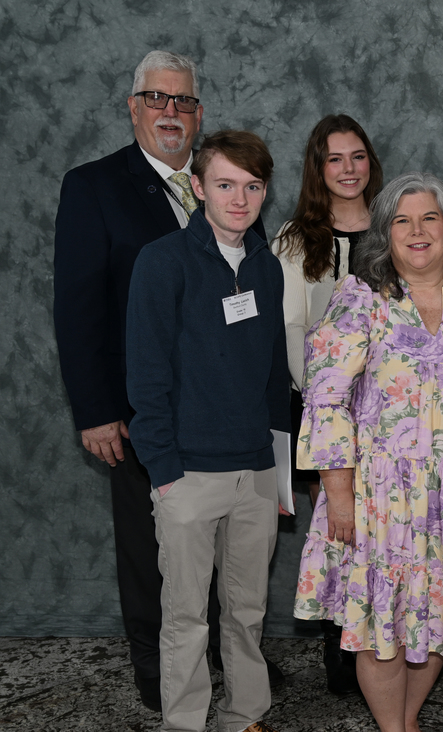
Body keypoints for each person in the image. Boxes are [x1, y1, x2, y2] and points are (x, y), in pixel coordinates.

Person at [52, 50, 278, 712]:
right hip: (139, 417)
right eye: (157, 99)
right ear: (133, 106)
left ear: (199, 113)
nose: (170, 112)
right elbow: (78, 305)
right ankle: (165, 689)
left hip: (231, 427)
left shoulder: (231, 190)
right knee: (158, 569)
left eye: (183, 102)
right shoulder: (94, 186)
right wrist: (94, 410)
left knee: (230, 576)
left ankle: (230, 685)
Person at [292, 172, 443, 732]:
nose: (417, 231)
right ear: (384, 236)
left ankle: (407, 720)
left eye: (430, 218)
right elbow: (325, 400)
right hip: (378, 500)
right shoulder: (360, 302)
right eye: (402, 220)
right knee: (382, 629)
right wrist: (339, 495)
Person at [125, 130, 288, 732]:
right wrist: (163, 471)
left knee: (244, 612)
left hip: (255, 471)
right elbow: (144, 376)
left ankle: (244, 713)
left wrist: (277, 469)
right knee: (186, 615)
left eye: (251, 187)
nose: (239, 199)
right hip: (187, 473)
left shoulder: (266, 269)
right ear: (198, 187)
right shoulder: (162, 261)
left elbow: (274, 376)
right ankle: (186, 723)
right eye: (224, 185)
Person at [272, 113, 383, 696]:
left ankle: (384, 641)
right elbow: (291, 328)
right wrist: (327, 401)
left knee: (389, 527)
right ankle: (340, 647)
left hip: (395, 418)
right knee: (339, 528)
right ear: (318, 167)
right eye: (335, 158)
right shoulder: (295, 238)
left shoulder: (397, 225)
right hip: (324, 412)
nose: (348, 168)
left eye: (357, 156)